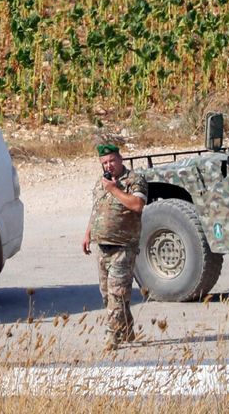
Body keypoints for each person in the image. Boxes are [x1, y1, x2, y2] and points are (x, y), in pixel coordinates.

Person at [82, 141, 147, 350]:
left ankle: (113, 338)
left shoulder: (134, 180)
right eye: (104, 163)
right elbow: (96, 209)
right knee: (107, 295)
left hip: (123, 246)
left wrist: (114, 189)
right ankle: (127, 330)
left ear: (120, 159)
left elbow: (137, 205)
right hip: (102, 246)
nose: (109, 166)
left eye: (111, 161)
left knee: (117, 295)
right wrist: (87, 234)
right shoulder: (101, 182)